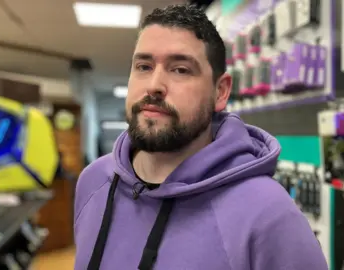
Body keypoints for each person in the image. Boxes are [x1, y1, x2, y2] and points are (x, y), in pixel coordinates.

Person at [74, 4, 328, 270]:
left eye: (180, 69)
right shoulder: (93, 181)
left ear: (220, 92)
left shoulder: (269, 216)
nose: (154, 85)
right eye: (144, 66)